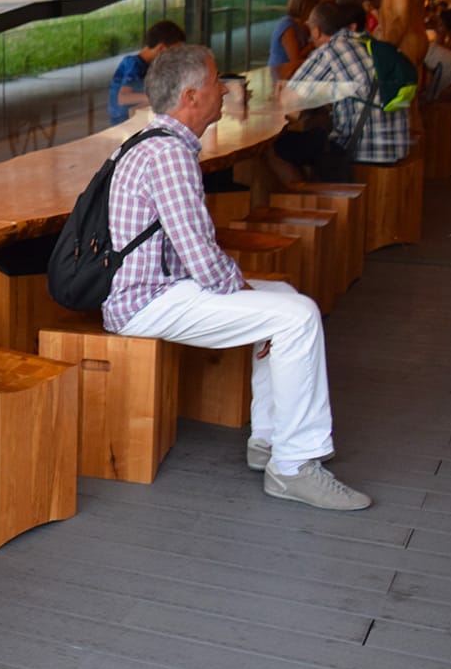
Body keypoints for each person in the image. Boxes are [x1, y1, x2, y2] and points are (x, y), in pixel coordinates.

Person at [101, 44, 370, 511]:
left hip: (158, 289)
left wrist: (244, 290)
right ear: (190, 97)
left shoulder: (159, 143)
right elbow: (202, 259)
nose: (225, 90)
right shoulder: (169, 156)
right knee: (298, 316)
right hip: (147, 301)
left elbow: (194, 256)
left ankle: (269, 440)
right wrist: (240, 288)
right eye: (215, 83)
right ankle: (294, 467)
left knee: (284, 298)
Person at [285, 1, 412, 169]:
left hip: (363, 150)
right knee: (316, 133)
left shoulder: (328, 51)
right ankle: (305, 190)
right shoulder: (369, 42)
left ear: (316, 31)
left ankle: (305, 191)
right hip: (398, 146)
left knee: (280, 147)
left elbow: (290, 99)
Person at [106, 19, 186, 125]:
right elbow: (123, 98)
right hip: (124, 122)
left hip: (138, 117)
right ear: (161, 48)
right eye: (174, 52)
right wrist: (159, 98)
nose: (175, 57)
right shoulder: (133, 64)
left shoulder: (150, 65)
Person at [268, 0, 315, 85]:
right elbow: (295, 58)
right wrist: (312, 45)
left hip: (293, 74)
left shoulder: (301, 25)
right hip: (281, 74)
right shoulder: (287, 26)